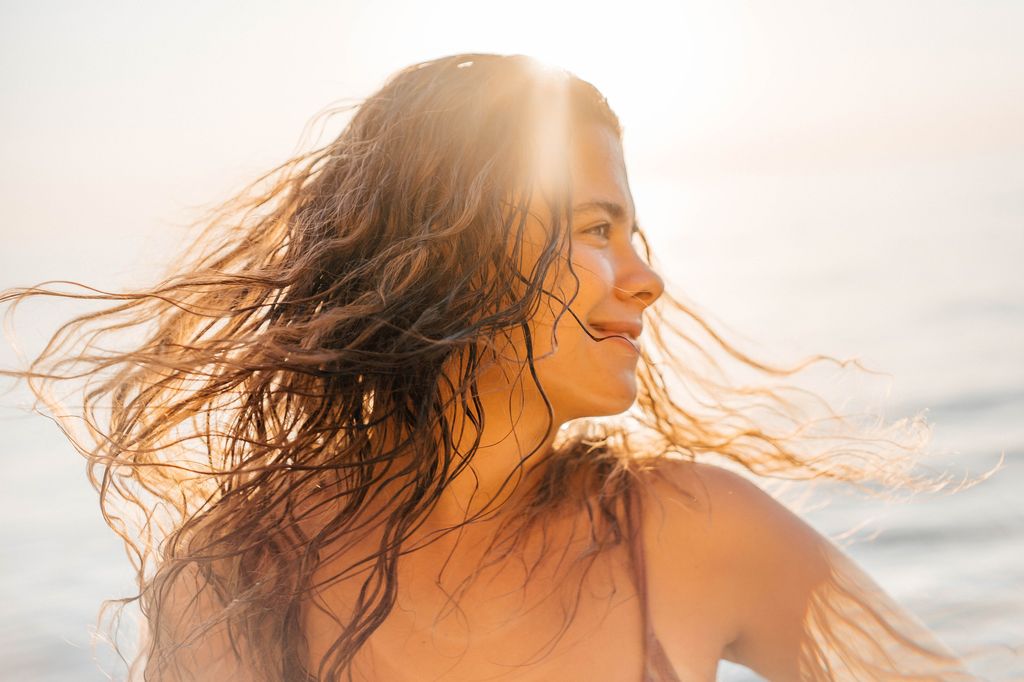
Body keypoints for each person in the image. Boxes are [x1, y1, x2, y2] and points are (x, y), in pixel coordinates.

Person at [1, 53, 978, 681]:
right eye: (599, 229)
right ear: (451, 249)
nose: (648, 279)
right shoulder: (240, 574)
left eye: (636, 232)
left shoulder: (689, 530)